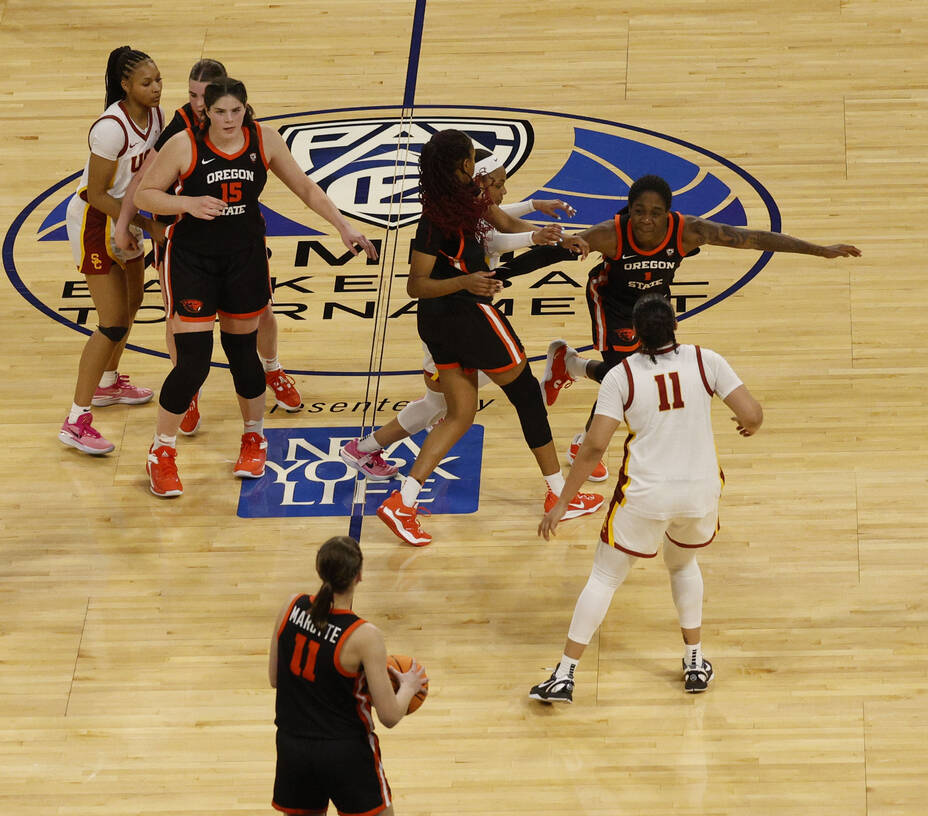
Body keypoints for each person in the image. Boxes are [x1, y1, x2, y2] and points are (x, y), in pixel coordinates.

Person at [134, 77, 377, 497]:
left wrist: (342, 226)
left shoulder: (264, 139)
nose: (229, 119)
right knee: (193, 362)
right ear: (205, 113)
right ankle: (162, 451)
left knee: (243, 353)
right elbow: (146, 194)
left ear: (247, 108)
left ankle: (254, 437)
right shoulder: (184, 145)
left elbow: (304, 187)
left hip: (244, 258)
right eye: (219, 112)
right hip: (192, 260)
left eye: (236, 110)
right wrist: (188, 203)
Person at [541, 173, 860, 479]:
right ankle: (583, 441)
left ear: (669, 214)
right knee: (621, 375)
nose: (647, 219)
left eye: (656, 212)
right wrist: (508, 266)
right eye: (640, 211)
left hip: (653, 301)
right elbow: (547, 254)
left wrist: (819, 250)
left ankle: (570, 364)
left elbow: (752, 239)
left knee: (638, 372)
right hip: (610, 301)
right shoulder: (609, 233)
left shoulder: (687, 231)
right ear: (629, 211)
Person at [528, 294, 764, 703]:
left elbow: (594, 447)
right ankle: (694, 660)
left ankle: (565, 675)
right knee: (683, 564)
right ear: (675, 325)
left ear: (633, 333)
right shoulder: (706, 360)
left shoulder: (622, 376)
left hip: (646, 495)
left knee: (604, 577)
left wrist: (564, 502)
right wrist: (748, 426)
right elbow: (753, 415)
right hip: (699, 493)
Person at [375, 130, 601, 547]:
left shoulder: (455, 203)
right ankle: (558, 493)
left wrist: (549, 235)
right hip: (468, 314)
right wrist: (467, 280)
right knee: (528, 394)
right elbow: (415, 285)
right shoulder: (439, 219)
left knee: (460, 414)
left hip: (437, 323)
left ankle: (402, 502)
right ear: (463, 166)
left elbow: (506, 222)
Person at [115, 59, 304, 432]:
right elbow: (143, 181)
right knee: (183, 328)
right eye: (193, 95)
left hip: (239, 239)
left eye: (208, 97)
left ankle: (272, 368)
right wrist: (125, 225)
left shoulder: (242, 125)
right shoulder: (182, 129)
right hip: (181, 234)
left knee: (260, 310)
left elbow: (302, 185)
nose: (199, 104)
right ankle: (188, 391)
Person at [58, 46, 166, 455]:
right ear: (125, 85)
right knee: (112, 322)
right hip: (96, 221)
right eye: (146, 82)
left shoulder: (155, 116)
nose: (156, 89)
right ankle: (75, 420)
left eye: (158, 80)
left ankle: (106, 383)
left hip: (128, 217)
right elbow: (96, 192)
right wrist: (145, 224)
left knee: (135, 300)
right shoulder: (110, 128)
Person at [268, 535, 427, 816]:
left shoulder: (290, 606)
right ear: (360, 576)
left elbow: (275, 679)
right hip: (345, 753)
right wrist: (408, 686)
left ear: (320, 570)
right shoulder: (365, 636)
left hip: (293, 748)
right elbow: (389, 716)